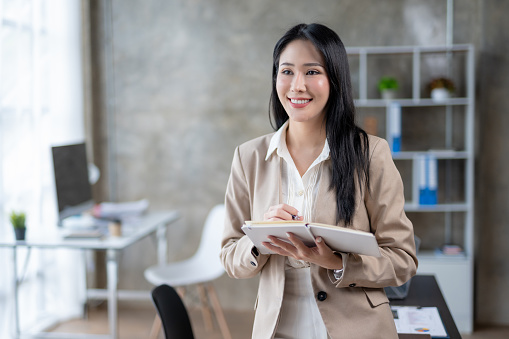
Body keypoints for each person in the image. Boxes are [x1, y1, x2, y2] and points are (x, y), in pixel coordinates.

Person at [220, 23, 417, 339]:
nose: (297, 85)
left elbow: (403, 259)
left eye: (312, 72)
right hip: (277, 327)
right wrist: (258, 240)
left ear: (335, 80)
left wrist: (338, 262)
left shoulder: (371, 154)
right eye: (287, 71)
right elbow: (230, 255)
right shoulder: (248, 157)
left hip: (356, 327)